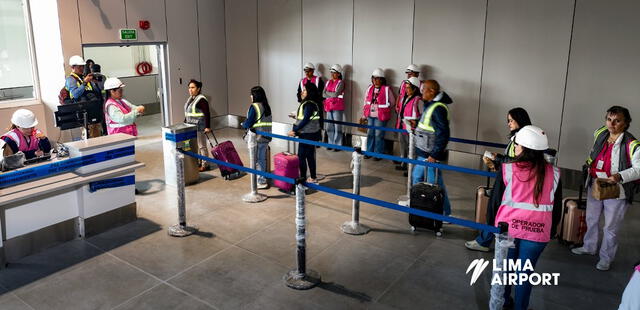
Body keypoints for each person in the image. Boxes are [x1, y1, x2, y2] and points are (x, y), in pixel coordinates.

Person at [490, 125, 562, 310]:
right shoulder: (554, 173)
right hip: (537, 233)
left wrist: (491, 227)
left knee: (504, 271)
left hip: (508, 230)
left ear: (520, 147)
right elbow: (556, 207)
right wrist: (551, 230)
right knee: (524, 275)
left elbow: (495, 202)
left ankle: (504, 302)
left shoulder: (507, 169)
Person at [571, 106, 640, 271]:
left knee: (610, 227)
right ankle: (589, 246)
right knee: (591, 219)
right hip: (596, 183)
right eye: (609, 119)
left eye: (617, 121)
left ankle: (606, 257)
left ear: (626, 123)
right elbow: (594, 153)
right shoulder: (600, 133)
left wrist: (619, 176)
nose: (612, 124)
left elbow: (639, 169)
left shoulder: (632, 144)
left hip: (616, 189)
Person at [465, 107, 532, 252]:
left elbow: (519, 162)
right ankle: (488, 240)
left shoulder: (522, 138)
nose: (509, 123)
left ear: (520, 120)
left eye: (511, 120)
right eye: (508, 120)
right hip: (510, 180)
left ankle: (485, 241)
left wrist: (498, 159)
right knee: (497, 211)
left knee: (494, 211)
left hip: (509, 182)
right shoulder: (521, 136)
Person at [412, 80, 452, 215]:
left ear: (432, 91)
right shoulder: (431, 105)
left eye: (424, 90)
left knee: (435, 184)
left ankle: (445, 212)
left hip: (430, 155)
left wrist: (434, 155)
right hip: (424, 153)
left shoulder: (438, 108)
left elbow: (443, 134)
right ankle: (420, 206)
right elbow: (429, 126)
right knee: (417, 178)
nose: (421, 92)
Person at [289, 81, 322, 184]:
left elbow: (306, 119)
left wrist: (294, 130)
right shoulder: (310, 103)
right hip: (310, 133)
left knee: (302, 156)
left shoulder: (309, 104)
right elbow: (305, 118)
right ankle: (312, 177)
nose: (302, 92)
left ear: (309, 92)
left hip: (308, 134)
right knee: (309, 156)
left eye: (304, 90)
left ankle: (303, 178)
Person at [242, 86, 272, 189]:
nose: (250, 96)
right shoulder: (266, 106)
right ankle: (262, 178)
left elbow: (249, 122)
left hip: (257, 138)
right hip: (266, 136)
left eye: (251, 94)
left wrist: (243, 124)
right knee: (262, 159)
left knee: (257, 160)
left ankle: (261, 181)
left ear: (255, 96)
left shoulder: (254, 107)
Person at [363, 68, 395, 160]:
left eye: (378, 78)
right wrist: (364, 114)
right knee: (370, 134)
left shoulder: (386, 89)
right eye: (374, 78)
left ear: (382, 79)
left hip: (380, 117)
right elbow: (365, 101)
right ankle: (369, 152)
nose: (376, 81)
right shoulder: (369, 88)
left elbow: (392, 102)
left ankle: (378, 154)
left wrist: (384, 108)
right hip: (370, 115)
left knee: (378, 135)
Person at [394, 76, 422, 172]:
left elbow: (422, 115)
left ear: (415, 89)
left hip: (412, 129)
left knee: (412, 149)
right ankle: (404, 163)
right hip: (402, 126)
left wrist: (416, 122)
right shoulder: (404, 98)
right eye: (405, 87)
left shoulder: (418, 100)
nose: (406, 90)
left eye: (408, 88)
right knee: (403, 145)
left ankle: (411, 169)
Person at [184, 79, 212, 172]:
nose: (190, 90)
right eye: (189, 88)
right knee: (197, 146)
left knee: (202, 146)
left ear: (198, 89)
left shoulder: (201, 100)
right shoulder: (192, 98)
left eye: (193, 87)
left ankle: (205, 164)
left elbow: (207, 113)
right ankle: (200, 162)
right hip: (191, 126)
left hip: (200, 126)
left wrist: (207, 127)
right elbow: (189, 112)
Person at [323, 64, 345, 151]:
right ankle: (330, 143)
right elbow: (323, 93)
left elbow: (336, 94)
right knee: (329, 126)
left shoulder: (341, 82)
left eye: (334, 73)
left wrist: (329, 94)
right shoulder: (328, 82)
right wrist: (331, 95)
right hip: (328, 106)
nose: (332, 74)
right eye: (331, 72)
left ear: (339, 73)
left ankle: (338, 145)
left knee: (337, 126)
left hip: (337, 107)